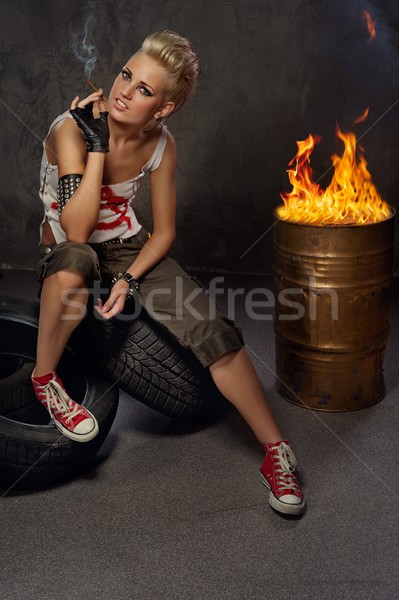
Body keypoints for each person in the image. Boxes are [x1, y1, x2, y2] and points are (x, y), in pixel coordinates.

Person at [32, 30, 305, 516]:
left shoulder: (162, 145)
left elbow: (162, 234)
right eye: (126, 74)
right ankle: (45, 379)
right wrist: (96, 146)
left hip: (127, 248)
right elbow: (76, 229)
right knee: (76, 262)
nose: (123, 90)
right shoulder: (72, 129)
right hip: (69, 248)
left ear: (163, 108)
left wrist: (130, 278)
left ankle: (276, 453)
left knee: (212, 330)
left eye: (143, 89)